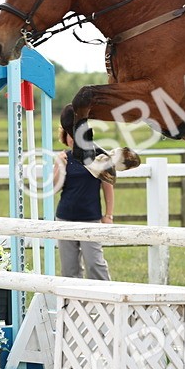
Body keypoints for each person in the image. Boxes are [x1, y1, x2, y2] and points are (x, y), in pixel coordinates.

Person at [53, 104, 114, 281]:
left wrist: (108, 215)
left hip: (91, 218)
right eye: (69, 134)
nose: (73, 138)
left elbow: (108, 187)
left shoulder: (97, 157)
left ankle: (106, 302)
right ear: (65, 136)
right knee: (70, 270)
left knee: (95, 265)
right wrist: (59, 165)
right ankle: (73, 307)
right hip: (65, 218)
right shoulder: (63, 158)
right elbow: (55, 188)